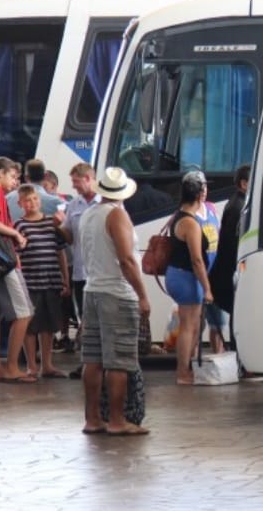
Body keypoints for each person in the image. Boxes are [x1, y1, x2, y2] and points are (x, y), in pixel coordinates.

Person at [80, 167, 151, 436]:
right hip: (117, 294)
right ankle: (118, 420)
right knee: (119, 360)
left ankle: (92, 418)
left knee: (93, 358)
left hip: (92, 291)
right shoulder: (117, 215)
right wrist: (143, 295)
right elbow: (127, 260)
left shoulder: (89, 214)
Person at [0, 156, 35, 384]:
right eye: (12, 176)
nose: (15, 182)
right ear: (0, 173)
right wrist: (15, 234)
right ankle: (12, 365)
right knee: (24, 313)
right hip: (4, 260)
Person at [166, 170, 218, 384]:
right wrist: (207, 288)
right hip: (186, 277)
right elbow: (196, 259)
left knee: (194, 324)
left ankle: (187, 368)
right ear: (201, 194)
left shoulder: (182, 214)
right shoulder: (190, 222)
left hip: (185, 276)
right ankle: (183, 372)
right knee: (189, 324)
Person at [14, 184, 69, 379]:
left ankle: (47, 364)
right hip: (30, 282)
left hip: (51, 280)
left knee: (49, 325)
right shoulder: (19, 225)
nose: (32, 203)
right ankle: (31, 365)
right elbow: (16, 255)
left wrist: (65, 280)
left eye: (35, 199)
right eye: (27, 201)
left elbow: (60, 252)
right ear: (20, 203)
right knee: (30, 326)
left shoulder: (50, 223)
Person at [58, 163, 101, 364]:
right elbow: (70, 238)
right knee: (84, 319)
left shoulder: (105, 202)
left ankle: (98, 362)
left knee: (99, 320)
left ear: (88, 179)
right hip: (81, 272)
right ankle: (87, 362)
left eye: (76, 182)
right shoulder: (74, 205)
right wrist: (59, 225)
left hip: (100, 272)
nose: (74, 186)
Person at [209, 164, 248, 354]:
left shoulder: (238, 203)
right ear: (244, 183)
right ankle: (240, 357)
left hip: (230, 270)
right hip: (231, 270)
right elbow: (233, 243)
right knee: (238, 314)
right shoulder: (237, 207)